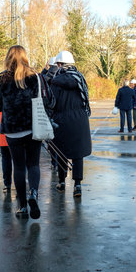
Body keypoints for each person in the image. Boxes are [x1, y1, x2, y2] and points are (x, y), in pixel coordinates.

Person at [0, 45, 54, 219]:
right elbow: (46, 98)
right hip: (33, 126)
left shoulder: (1, 80)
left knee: (18, 167)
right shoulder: (34, 77)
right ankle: (33, 193)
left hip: (12, 129)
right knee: (33, 164)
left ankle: (22, 206)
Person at [50, 51, 91, 197]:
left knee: (61, 152)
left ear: (60, 64)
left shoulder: (55, 81)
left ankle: (61, 181)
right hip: (80, 119)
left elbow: (52, 102)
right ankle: (77, 185)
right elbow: (85, 98)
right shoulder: (80, 78)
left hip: (61, 119)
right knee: (77, 153)